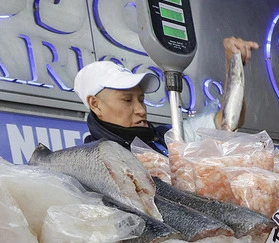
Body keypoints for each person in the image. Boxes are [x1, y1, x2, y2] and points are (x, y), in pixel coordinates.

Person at [73, 37, 259, 155]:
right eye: (127, 100)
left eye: (141, 99)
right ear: (95, 104)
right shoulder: (94, 159)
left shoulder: (168, 137)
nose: (140, 110)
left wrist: (233, 63)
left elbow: (226, 122)